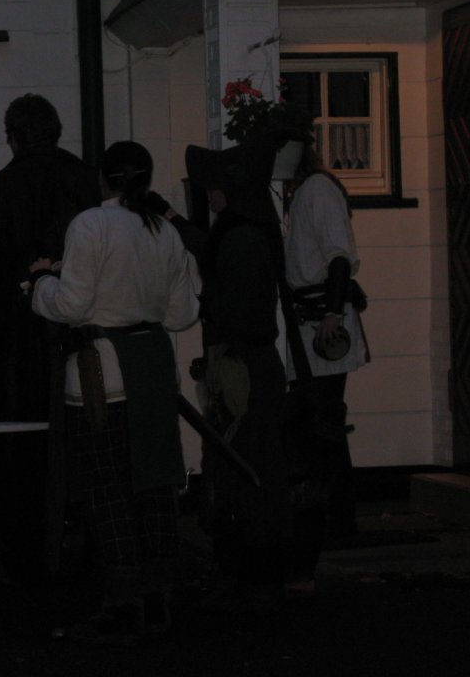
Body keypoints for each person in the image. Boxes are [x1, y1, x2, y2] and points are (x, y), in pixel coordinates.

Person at [28, 141, 198, 641]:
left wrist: (40, 284)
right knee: (156, 487)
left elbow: (74, 306)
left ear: (103, 178)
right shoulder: (164, 230)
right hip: (152, 373)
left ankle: (124, 603)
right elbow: (182, 314)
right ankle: (158, 597)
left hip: (101, 376)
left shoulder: (90, 225)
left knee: (108, 492)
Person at [0, 93, 100, 584]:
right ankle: (80, 546)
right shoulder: (83, 182)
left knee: (15, 443)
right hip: (75, 331)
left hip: (8, 340)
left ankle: (22, 551)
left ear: (12, 137)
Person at [184, 136, 292, 607]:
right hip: (245, 366)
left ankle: (253, 568)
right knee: (243, 464)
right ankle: (248, 566)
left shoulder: (243, 237)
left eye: (215, 186)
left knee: (246, 465)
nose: (210, 194)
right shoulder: (245, 232)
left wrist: (216, 328)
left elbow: (236, 308)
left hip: (244, 369)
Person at [282, 145, 369, 592]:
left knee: (323, 423)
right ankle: (338, 517)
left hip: (324, 324)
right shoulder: (303, 193)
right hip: (312, 321)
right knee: (323, 422)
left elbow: (338, 257)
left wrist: (333, 312)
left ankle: (337, 518)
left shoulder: (317, 189)